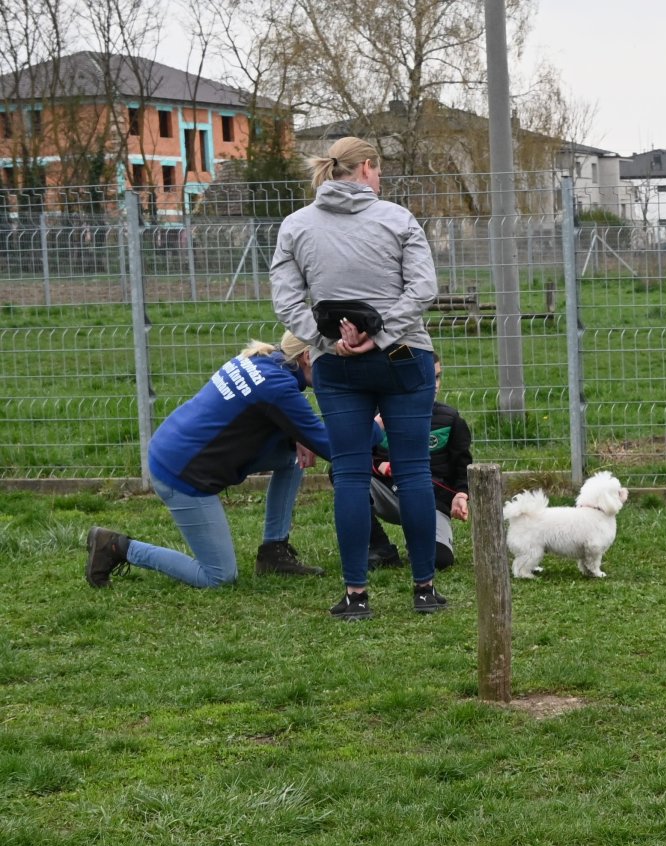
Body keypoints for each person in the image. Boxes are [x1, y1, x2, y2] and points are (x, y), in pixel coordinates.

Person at [270, 134, 442, 621]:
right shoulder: (397, 219)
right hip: (404, 357)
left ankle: (356, 596)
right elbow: (423, 288)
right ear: (367, 167)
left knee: (348, 474)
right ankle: (424, 589)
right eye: (378, 169)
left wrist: (328, 341)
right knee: (412, 471)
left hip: (336, 365)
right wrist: (381, 332)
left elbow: (285, 301)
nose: (380, 177)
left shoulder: (296, 226)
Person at [85, 333, 332, 590]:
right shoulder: (276, 386)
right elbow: (329, 444)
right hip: (181, 473)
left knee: (292, 457)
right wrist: (374, 427)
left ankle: (274, 552)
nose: (334, 369)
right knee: (219, 577)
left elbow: (256, 414)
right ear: (306, 357)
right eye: (330, 360)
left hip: (173, 447)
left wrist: (297, 435)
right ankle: (116, 546)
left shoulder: (265, 361)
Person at [368, 357, 471, 571]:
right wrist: (379, 465)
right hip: (391, 495)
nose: (434, 384)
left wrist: (461, 495)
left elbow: (463, 468)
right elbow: (356, 455)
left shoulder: (451, 420)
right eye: (426, 377)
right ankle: (380, 547)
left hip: (431, 503)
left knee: (438, 561)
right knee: (344, 475)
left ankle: (419, 537)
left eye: (437, 376)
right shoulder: (380, 417)